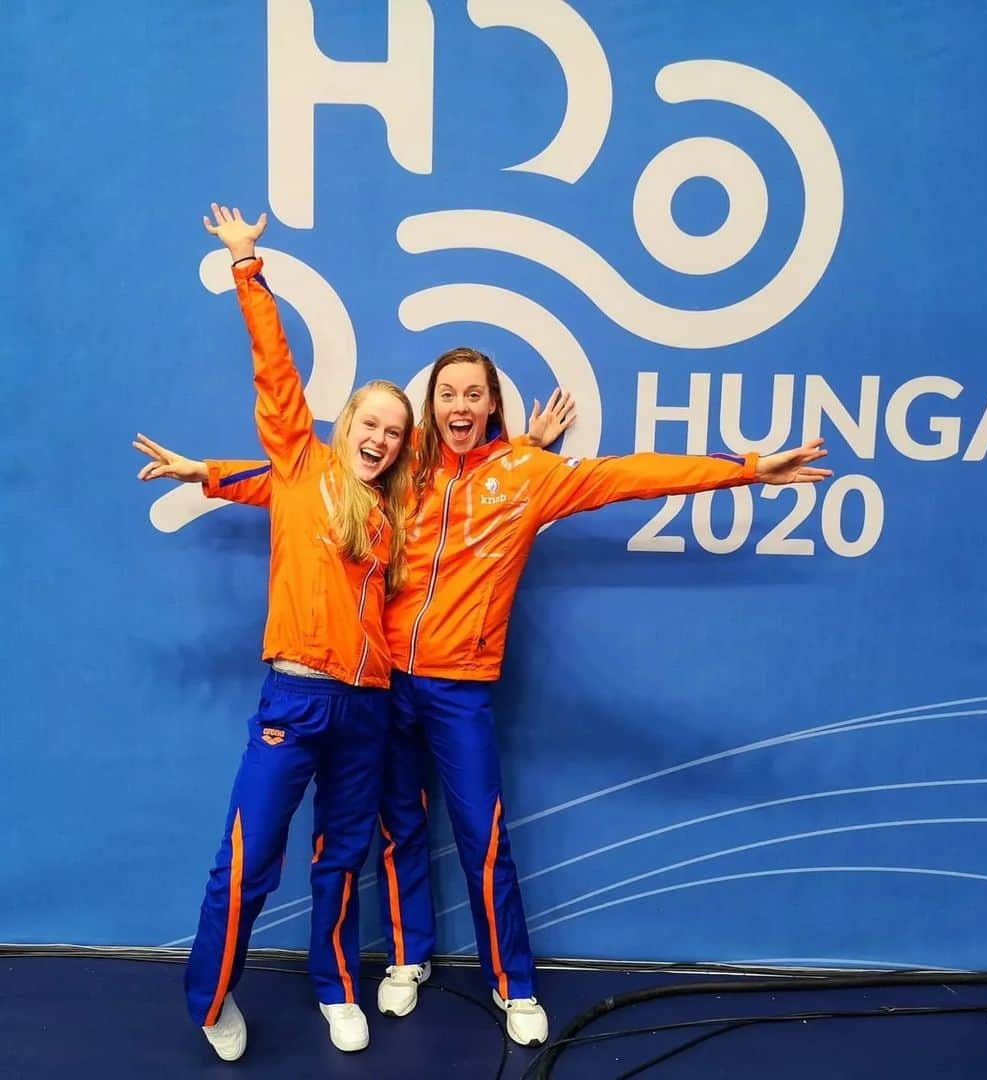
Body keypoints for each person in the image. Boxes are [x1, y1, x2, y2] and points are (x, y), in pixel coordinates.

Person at [138, 216, 832, 1049]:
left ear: (491, 405)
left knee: (482, 835)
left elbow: (629, 478)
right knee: (391, 832)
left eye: (474, 394)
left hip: (457, 687)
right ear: (428, 408)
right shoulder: (404, 472)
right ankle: (405, 959)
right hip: (378, 684)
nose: (458, 405)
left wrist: (747, 469)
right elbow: (295, 477)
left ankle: (515, 984)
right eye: (447, 394)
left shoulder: (528, 475)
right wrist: (212, 474)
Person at [160, 204, 415, 1062]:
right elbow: (276, 375)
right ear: (347, 429)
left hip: (368, 706)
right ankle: (210, 995)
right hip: (298, 693)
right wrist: (246, 265)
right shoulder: (304, 464)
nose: (379, 438)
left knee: (343, 855)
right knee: (249, 857)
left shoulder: (386, 516)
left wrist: (218, 477)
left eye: (394, 431)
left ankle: (336, 983)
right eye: (369, 424)